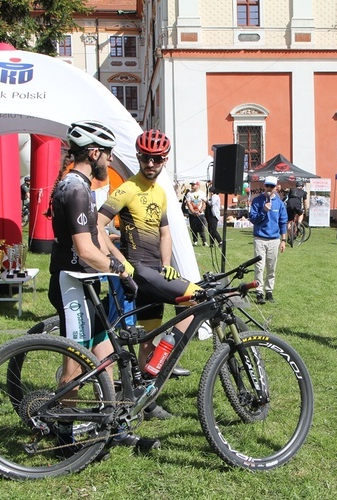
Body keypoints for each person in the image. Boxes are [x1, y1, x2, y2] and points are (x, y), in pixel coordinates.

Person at [46, 120, 158, 452]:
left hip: (84, 283)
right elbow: (83, 250)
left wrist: (118, 259)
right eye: (107, 154)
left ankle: (112, 426)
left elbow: (95, 236)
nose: (108, 161)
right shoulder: (75, 188)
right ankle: (63, 437)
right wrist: (119, 271)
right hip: (72, 284)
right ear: (93, 152)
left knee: (105, 355)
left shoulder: (77, 184)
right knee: (75, 365)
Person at [97, 129, 200, 421]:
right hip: (138, 272)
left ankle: (145, 398)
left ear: (164, 159)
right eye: (145, 158)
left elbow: (165, 232)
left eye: (156, 159)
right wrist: (119, 262)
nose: (150, 163)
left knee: (147, 341)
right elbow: (97, 225)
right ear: (139, 157)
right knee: (198, 299)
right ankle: (160, 364)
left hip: (156, 271)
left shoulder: (161, 192)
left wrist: (167, 262)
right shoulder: (128, 188)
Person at [249, 175, 287, 304]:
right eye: (267, 186)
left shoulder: (279, 203)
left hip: (274, 239)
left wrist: (283, 240)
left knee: (271, 267)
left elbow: (283, 222)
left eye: (272, 186)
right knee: (259, 267)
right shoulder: (257, 200)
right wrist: (264, 210)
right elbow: (253, 219)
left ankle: (269, 291)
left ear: (276, 187)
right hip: (260, 238)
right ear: (264, 186)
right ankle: (259, 291)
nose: (269, 189)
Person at [185, 181, 208, 246]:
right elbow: (188, 203)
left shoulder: (202, 193)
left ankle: (204, 241)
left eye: (193, 184)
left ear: (197, 185)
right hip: (192, 214)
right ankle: (195, 240)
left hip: (200, 214)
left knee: (201, 227)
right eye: (191, 184)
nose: (192, 186)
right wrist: (193, 212)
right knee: (193, 227)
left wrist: (200, 211)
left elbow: (204, 203)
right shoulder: (189, 194)